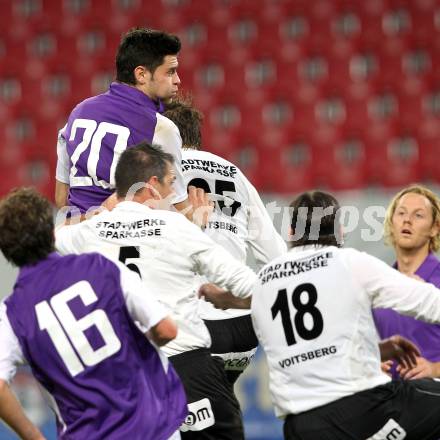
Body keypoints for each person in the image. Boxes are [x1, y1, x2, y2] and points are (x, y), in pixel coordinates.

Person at [55, 142, 257, 440]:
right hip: (185, 369)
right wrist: (226, 299)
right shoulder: (178, 226)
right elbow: (253, 287)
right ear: (152, 185)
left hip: (123, 380)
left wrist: (99, 213)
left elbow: (45, 238)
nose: (176, 193)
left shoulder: (91, 231)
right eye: (171, 183)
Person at [201, 190, 440, 440]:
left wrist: (221, 299)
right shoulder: (350, 263)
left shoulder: (265, 280)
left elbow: (253, 300)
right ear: (340, 231)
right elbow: (432, 304)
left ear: (291, 233)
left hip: (301, 428)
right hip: (362, 411)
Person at [0, 188, 187, 440]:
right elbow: (166, 329)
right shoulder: (99, 265)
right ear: (50, 230)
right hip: (154, 423)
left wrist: (35, 437)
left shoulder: (12, 313)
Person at [164, 98, 287, 384]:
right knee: (220, 408)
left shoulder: (159, 176)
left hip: (192, 329)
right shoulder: (235, 173)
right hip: (242, 331)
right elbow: (275, 256)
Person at [55, 27, 198, 221]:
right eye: (170, 72)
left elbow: (61, 198)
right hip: (122, 238)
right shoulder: (160, 127)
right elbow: (179, 214)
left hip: (76, 233)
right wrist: (199, 216)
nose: (177, 80)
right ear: (141, 74)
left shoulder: (79, 111)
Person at [374, 184, 440, 380]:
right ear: (391, 223)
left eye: (418, 215)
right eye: (401, 213)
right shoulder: (377, 285)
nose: (407, 220)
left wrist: (435, 369)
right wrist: (372, 366)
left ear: (435, 228)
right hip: (388, 404)